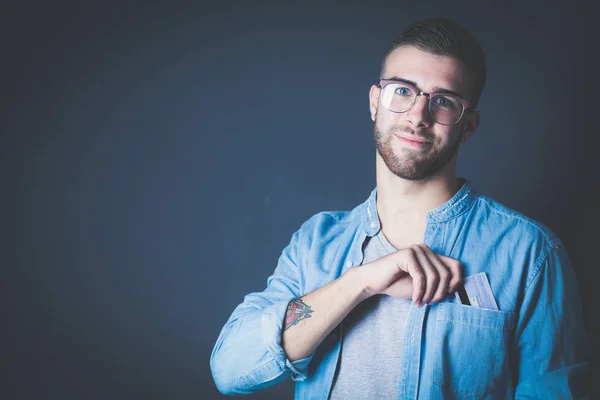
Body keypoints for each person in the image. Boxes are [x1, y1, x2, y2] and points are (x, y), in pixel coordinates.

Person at [210, 17, 589, 399]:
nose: (418, 116)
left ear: (468, 126)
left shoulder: (529, 252)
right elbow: (231, 368)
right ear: (376, 101)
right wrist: (361, 282)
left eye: (444, 102)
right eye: (402, 91)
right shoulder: (316, 243)